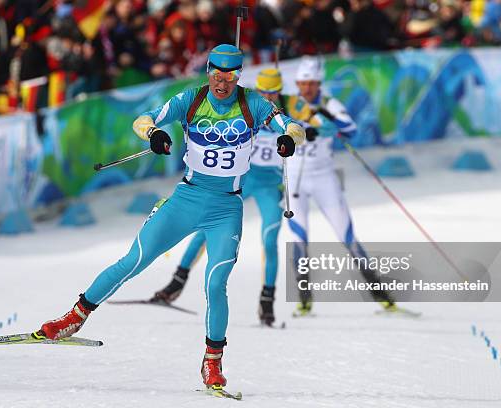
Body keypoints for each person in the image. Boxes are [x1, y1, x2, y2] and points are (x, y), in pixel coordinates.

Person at [38, 44, 305, 389]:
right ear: (208, 70)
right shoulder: (190, 99)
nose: (222, 82)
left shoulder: (252, 102)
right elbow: (142, 119)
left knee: (215, 283)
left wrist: (287, 137)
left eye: (230, 75)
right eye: (217, 74)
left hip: (226, 208)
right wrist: (155, 133)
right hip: (186, 199)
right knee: (134, 260)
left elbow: (293, 126)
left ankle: (212, 362)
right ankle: (73, 318)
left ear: (238, 75)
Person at [151, 67, 288, 326]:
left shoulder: (279, 117)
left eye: (273, 92)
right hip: (240, 182)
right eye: (264, 91)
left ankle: (267, 301)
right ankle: (175, 283)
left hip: (269, 186)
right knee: (206, 229)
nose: (268, 96)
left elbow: (296, 134)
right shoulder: (250, 110)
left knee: (270, 237)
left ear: (279, 92)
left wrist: (296, 139)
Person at [285, 56, 396, 316]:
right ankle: (304, 298)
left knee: (346, 235)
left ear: (318, 83)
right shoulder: (290, 103)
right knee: (299, 237)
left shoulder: (328, 103)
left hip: (324, 176)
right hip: (294, 178)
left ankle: (381, 295)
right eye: (302, 83)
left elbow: (351, 129)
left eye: (311, 83)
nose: (306, 89)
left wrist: (325, 121)